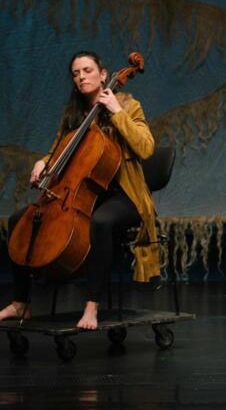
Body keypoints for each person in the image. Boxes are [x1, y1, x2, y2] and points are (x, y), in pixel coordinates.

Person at [0, 51, 159, 330]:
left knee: (101, 222)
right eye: (76, 74)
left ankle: (91, 305)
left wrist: (117, 112)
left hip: (123, 194)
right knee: (18, 221)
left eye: (87, 70)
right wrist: (43, 162)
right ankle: (21, 302)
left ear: (103, 75)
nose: (81, 77)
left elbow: (146, 148)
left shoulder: (127, 104)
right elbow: (57, 151)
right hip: (81, 193)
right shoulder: (74, 114)